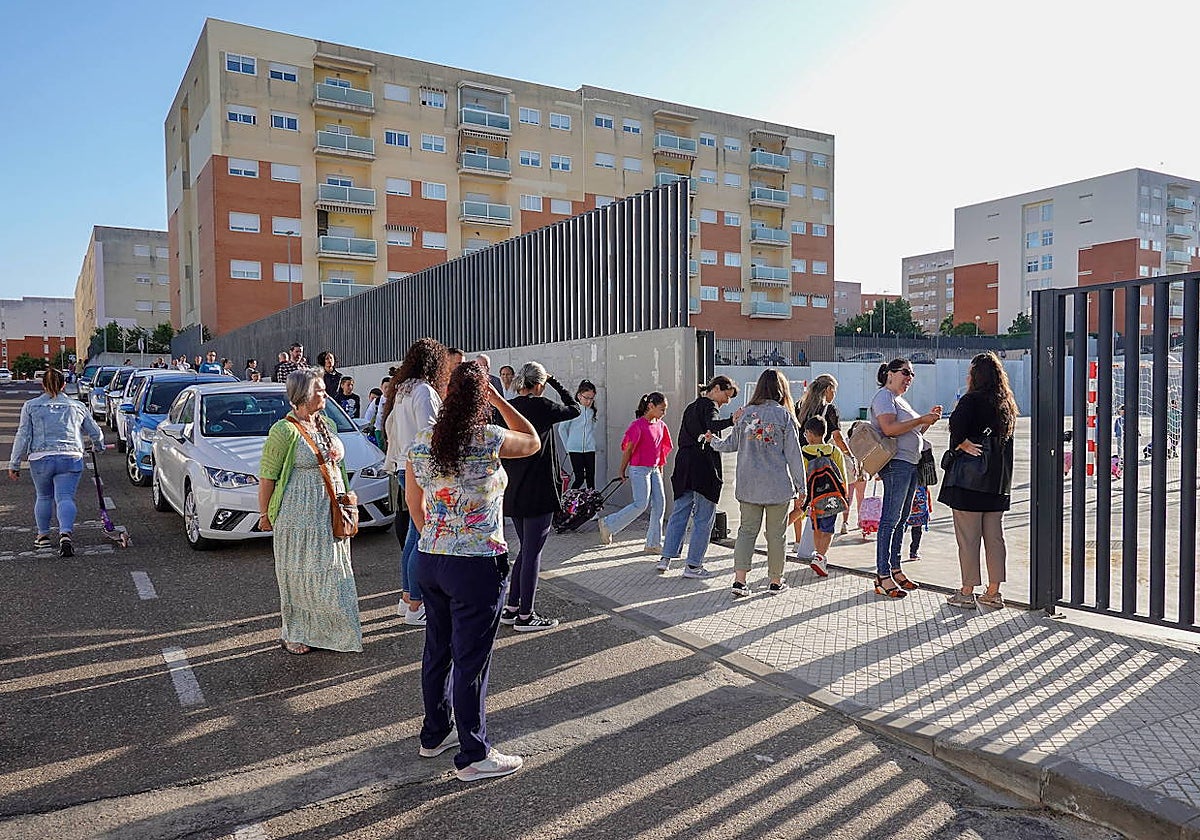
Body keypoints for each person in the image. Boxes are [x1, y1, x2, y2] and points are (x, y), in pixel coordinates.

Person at [405, 361, 540, 781]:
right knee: (471, 660)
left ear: (446, 398)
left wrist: (440, 540)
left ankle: (434, 734)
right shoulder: (488, 437)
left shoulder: (422, 443)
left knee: (437, 651)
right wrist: (499, 399)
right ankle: (474, 754)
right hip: (477, 562)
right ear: (481, 399)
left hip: (431, 558)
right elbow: (533, 441)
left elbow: (416, 505)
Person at [257, 368, 362, 655]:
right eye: (318, 389)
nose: (324, 393)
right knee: (301, 575)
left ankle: (335, 633)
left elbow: (337, 467)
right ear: (302, 395)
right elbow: (267, 476)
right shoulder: (283, 431)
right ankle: (296, 632)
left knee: (331, 573)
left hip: (329, 510)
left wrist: (347, 495)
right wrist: (265, 515)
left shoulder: (327, 423)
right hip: (297, 515)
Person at [710, 369, 806, 595]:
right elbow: (794, 455)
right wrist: (802, 487)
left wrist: (712, 441)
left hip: (749, 486)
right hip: (777, 487)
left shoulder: (745, 414)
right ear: (781, 389)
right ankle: (775, 581)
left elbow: (731, 444)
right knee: (776, 535)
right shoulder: (784, 415)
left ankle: (740, 581)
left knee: (746, 532)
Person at [500, 363, 580, 631]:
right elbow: (575, 408)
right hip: (540, 488)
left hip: (513, 487)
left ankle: (512, 608)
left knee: (525, 549)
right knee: (533, 553)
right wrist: (556, 381)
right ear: (540, 384)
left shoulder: (507, 408)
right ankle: (526, 615)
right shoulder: (544, 406)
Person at [940, 352, 1016, 610]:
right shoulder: (1006, 404)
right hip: (996, 484)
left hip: (969, 482)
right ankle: (994, 592)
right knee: (995, 538)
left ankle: (966, 592)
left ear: (976, 375)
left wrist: (963, 444)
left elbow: (956, 426)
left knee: (968, 538)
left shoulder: (970, 400)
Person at [8, 369, 106, 557]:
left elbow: (23, 435)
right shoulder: (77, 406)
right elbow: (95, 431)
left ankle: (43, 536)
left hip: (40, 457)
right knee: (65, 497)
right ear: (64, 385)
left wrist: (14, 463)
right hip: (71, 456)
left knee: (44, 496)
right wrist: (98, 447)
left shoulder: (30, 406)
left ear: (43, 385)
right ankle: (65, 534)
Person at [386, 339, 449, 626]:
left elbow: (391, 429)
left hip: (404, 465)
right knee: (419, 537)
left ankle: (406, 598)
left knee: (413, 536)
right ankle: (415, 604)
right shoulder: (423, 391)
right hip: (420, 468)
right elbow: (430, 434)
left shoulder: (403, 389)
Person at [870, 359, 942, 599]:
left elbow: (911, 432)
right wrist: (920, 419)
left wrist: (926, 422)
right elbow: (889, 429)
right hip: (896, 464)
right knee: (890, 520)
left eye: (912, 374)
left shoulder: (899, 400)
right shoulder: (884, 397)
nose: (909, 378)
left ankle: (895, 568)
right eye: (905, 373)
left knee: (901, 520)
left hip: (910, 463)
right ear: (890, 374)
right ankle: (882, 575)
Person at [656, 376, 741, 578]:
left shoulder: (691, 407)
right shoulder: (710, 406)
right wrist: (731, 421)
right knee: (704, 517)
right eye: (726, 396)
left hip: (684, 464)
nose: (727, 402)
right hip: (703, 467)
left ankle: (665, 558)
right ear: (717, 388)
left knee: (680, 512)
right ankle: (693, 565)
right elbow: (711, 424)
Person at [597, 393, 672, 552]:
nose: (664, 413)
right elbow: (628, 450)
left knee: (660, 504)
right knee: (641, 504)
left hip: (654, 470)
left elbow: (661, 452)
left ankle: (653, 543)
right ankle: (608, 524)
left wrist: (660, 471)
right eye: (662, 409)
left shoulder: (661, 426)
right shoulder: (637, 426)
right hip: (639, 469)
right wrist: (622, 470)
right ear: (650, 406)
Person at [793, 374, 856, 540]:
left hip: (800, 458)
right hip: (820, 462)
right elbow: (837, 437)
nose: (834, 394)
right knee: (821, 499)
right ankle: (817, 541)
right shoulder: (829, 409)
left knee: (800, 500)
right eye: (834, 390)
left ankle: (798, 540)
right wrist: (850, 455)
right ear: (828, 389)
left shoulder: (799, 407)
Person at [795, 414, 848, 577]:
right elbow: (842, 476)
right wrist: (844, 496)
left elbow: (801, 476)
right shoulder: (834, 451)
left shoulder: (803, 451)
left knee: (816, 527)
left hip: (813, 499)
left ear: (810, 433)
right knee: (828, 529)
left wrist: (800, 496)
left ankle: (818, 555)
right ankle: (820, 556)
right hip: (832, 497)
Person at [559, 380, 598, 490]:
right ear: (579, 396)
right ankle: (569, 501)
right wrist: (568, 447)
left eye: (591, 398)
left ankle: (591, 505)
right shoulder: (573, 410)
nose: (589, 401)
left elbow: (592, 428)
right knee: (579, 478)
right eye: (586, 398)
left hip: (589, 449)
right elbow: (562, 429)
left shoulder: (592, 411)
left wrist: (591, 441)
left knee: (591, 479)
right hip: (574, 449)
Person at [906, 482, 932, 562]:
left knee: (900, 529)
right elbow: (927, 494)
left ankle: (895, 552)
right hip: (918, 511)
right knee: (916, 531)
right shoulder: (923, 479)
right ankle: (913, 552)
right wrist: (929, 508)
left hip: (908, 508)